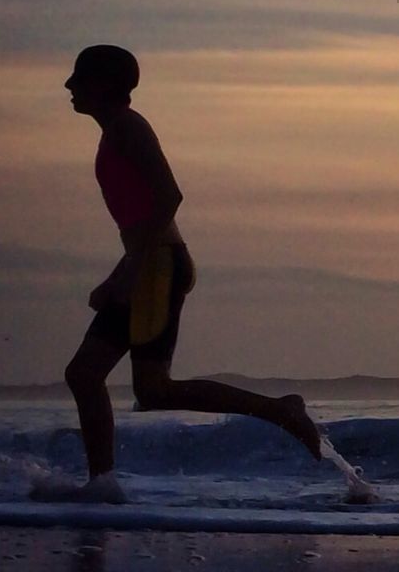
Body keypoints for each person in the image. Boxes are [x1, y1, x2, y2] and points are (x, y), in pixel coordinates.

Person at [62, 45, 322, 500]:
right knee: (95, 378)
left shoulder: (128, 128)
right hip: (149, 264)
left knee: (147, 387)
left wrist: (129, 273)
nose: (69, 86)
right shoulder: (114, 132)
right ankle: (101, 485)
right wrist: (123, 270)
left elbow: (168, 197)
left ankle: (280, 410)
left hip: (158, 267)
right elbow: (145, 215)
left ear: (103, 85)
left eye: (78, 78)